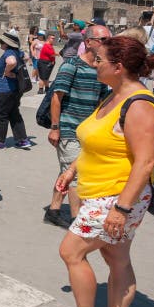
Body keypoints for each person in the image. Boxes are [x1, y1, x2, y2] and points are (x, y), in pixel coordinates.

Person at [52, 35, 154, 307]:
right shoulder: (114, 95)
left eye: (99, 58)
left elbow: (145, 163)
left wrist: (122, 210)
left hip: (116, 197)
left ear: (118, 67)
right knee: (116, 256)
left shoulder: (139, 105)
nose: (94, 62)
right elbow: (95, 139)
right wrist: (71, 171)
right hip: (101, 191)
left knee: (71, 251)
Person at [44, 25, 112, 228]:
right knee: (76, 175)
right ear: (89, 42)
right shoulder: (71, 65)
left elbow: (101, 102)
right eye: (103, 40)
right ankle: (77, 220)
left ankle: (53, 211)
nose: (107, 44)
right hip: (69, 129)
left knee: (68, 170)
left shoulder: (100, 69)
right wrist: (55, 127)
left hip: (88, 132)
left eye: (109, 40)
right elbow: (57, 98)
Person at [0, 32, 33, 150]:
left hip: (4, 90)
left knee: (1, 114)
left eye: (2, 42)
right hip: (15, 90)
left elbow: (11, 61)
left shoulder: (9, 53)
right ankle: (22, 140)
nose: (1, 43)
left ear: (6, 44)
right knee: (14, 113)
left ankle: (0, 142)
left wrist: (6, 72)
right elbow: (26, 56)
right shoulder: (18, 52)